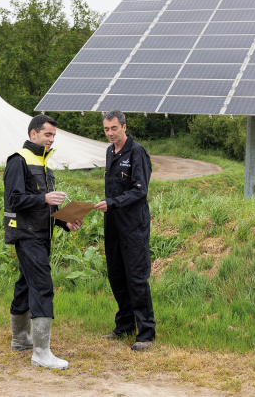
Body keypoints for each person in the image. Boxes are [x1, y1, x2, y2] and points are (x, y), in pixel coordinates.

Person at [4, 114, 83, 370]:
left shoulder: (45, 164)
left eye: (53, 136)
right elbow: (14, 200)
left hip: (41, 233)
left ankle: (20, 339)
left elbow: (45, 206)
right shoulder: (19, 160)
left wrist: (64, 221)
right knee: (42, 285)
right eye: (48, 134)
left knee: (26, 283)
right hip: (26, 234)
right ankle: (41, 353)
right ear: (33, 134)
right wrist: (45, 199)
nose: (51, 139)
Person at [94, 110, 155, 351]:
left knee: (136, 278)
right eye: (106, 129)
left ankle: (146, 333)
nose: (110, 133)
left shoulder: (137, 151)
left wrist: (114, 202)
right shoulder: (110, 151)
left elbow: (140, 189)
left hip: (133, 225)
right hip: (113, 222)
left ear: (124, 127)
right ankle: (124, 326)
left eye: (114, 129)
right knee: (116, 275)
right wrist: (108, 205)